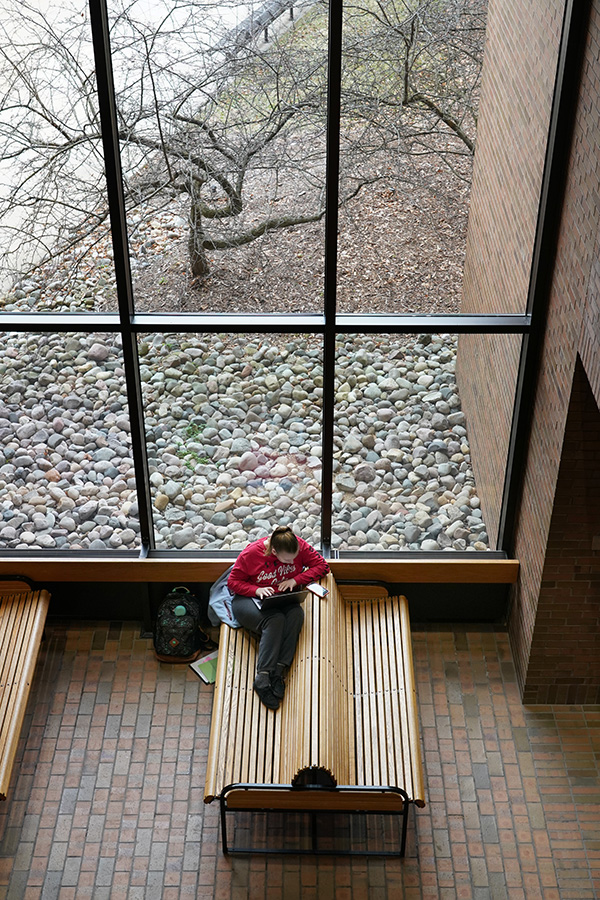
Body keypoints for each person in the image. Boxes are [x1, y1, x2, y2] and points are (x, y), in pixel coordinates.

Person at [228, 525, 329, 709]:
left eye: (294, 558)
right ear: (273, 551)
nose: (292, 563)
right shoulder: (251, 554)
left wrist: (296, 580)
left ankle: (278, 671)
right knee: (275, 620)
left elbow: (322, 566)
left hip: (281, 598)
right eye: (287, 560)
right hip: (249, 600)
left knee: (296, 614)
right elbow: (233, 582)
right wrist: (256, 589)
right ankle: (262, 676)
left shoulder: (295, 545)